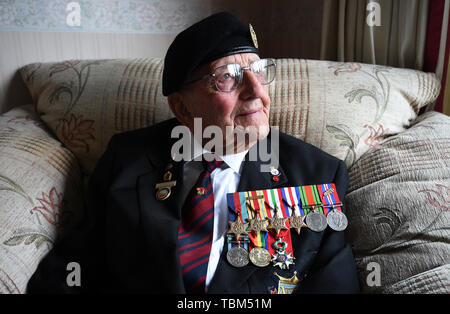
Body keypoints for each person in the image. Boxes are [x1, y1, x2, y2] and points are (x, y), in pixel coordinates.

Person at [27, 12, 360, 294]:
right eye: (228, 77)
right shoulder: (126, 159)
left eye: (259, 71)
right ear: (182, 108)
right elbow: (73, 271)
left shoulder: (318, 175)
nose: (257, 91)